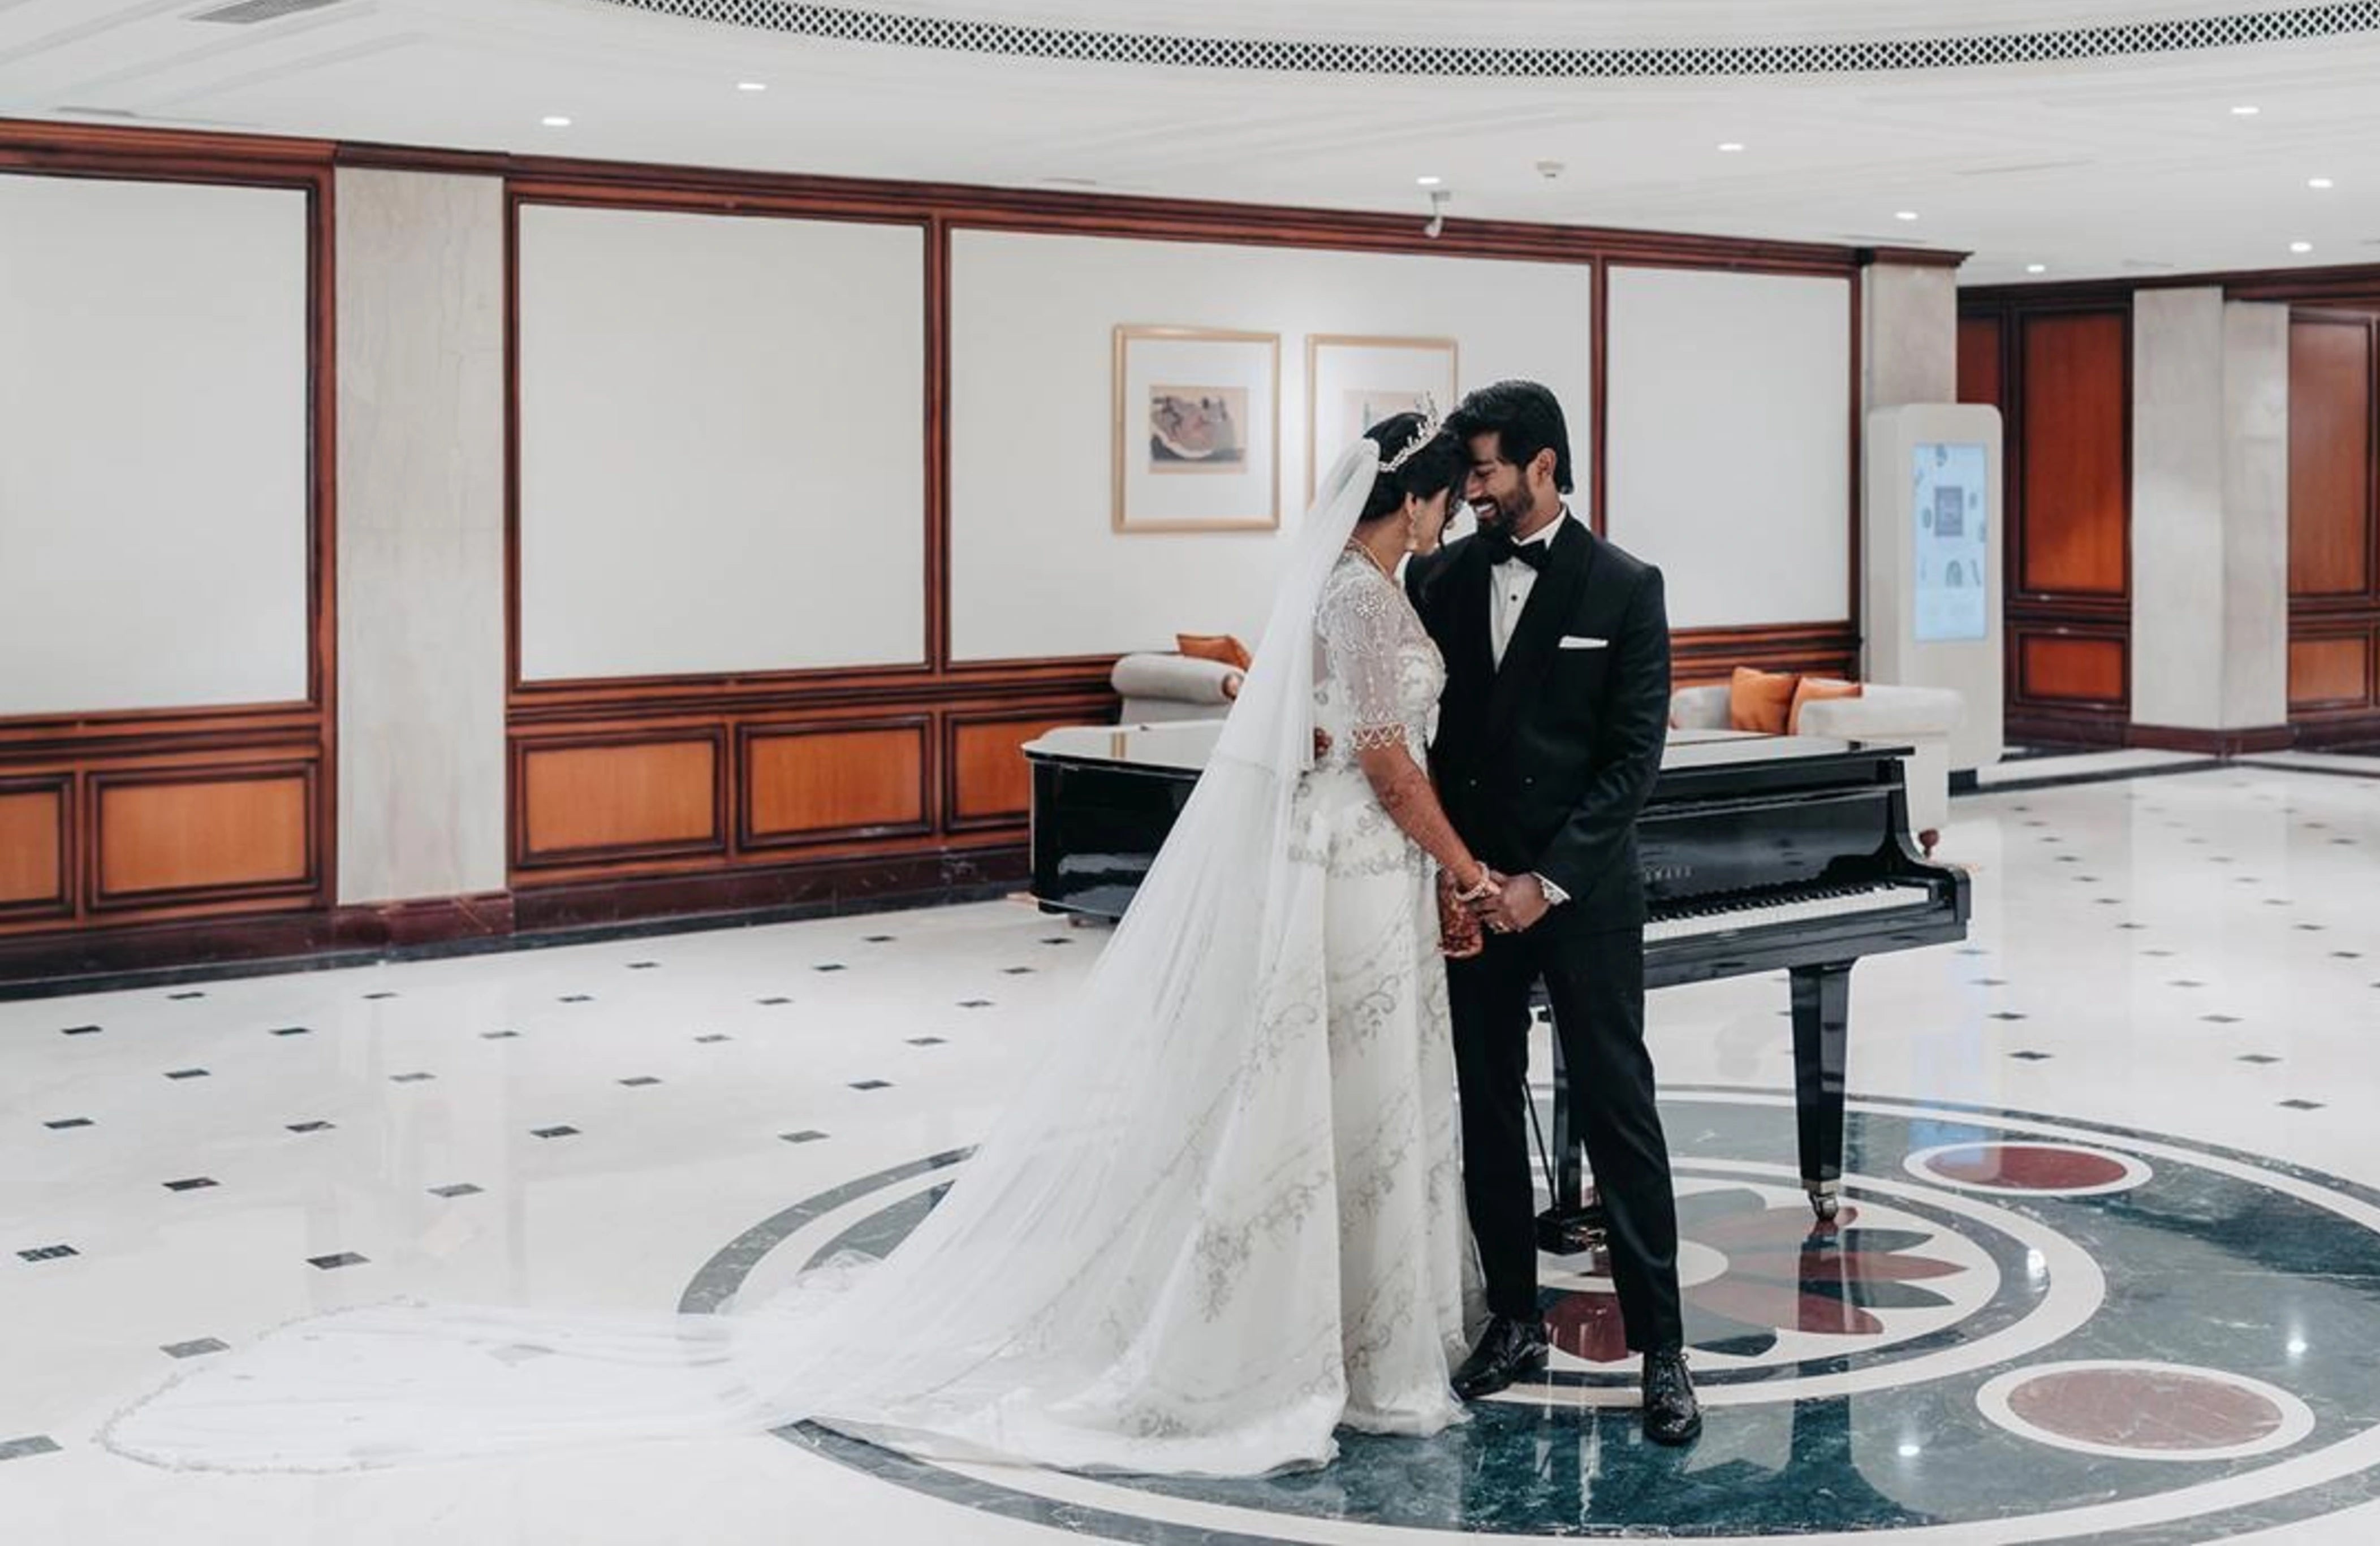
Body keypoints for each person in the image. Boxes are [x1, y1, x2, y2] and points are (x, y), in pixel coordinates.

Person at [102, 409, 1495, 1480]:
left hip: (1351, 870)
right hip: (1353, 870)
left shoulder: (1353, 596)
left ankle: (1343, 1325)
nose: (1450, 518)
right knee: (1326, 1099)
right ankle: (1311, 1345)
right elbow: (1383, 759)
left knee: (1335, 1101)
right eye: (1447, 498)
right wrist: (1465, 870)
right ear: (1419, 499)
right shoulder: (1359, 599)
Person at [1408, 379, 1702, 1448]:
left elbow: (1632, 763)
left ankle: (1662, 1349)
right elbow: (1427, 737)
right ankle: (1514, 1321)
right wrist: (1464, 877)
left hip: (1582, 897)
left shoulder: (1626, 586)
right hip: (1474, 890)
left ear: (1543, 465)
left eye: (1486, 471)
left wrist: (1549, 882)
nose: (1471, 492)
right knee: (1486, 1107)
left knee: (1620, 1113)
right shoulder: (1440, 576)